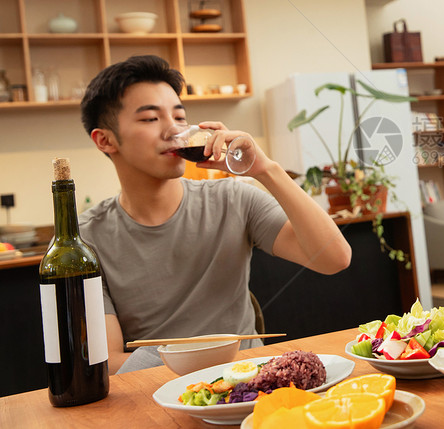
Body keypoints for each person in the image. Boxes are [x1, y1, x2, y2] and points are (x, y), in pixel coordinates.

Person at [79, 55, 352, 374]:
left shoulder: (233, 198)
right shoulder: (86, 238)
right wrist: (195, 371)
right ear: (105, 140)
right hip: (159, 392)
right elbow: (108, 360)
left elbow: (335, 258)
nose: (173, 130)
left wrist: (266, 170)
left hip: (251, 381)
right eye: (151, 119)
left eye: (179, 117)